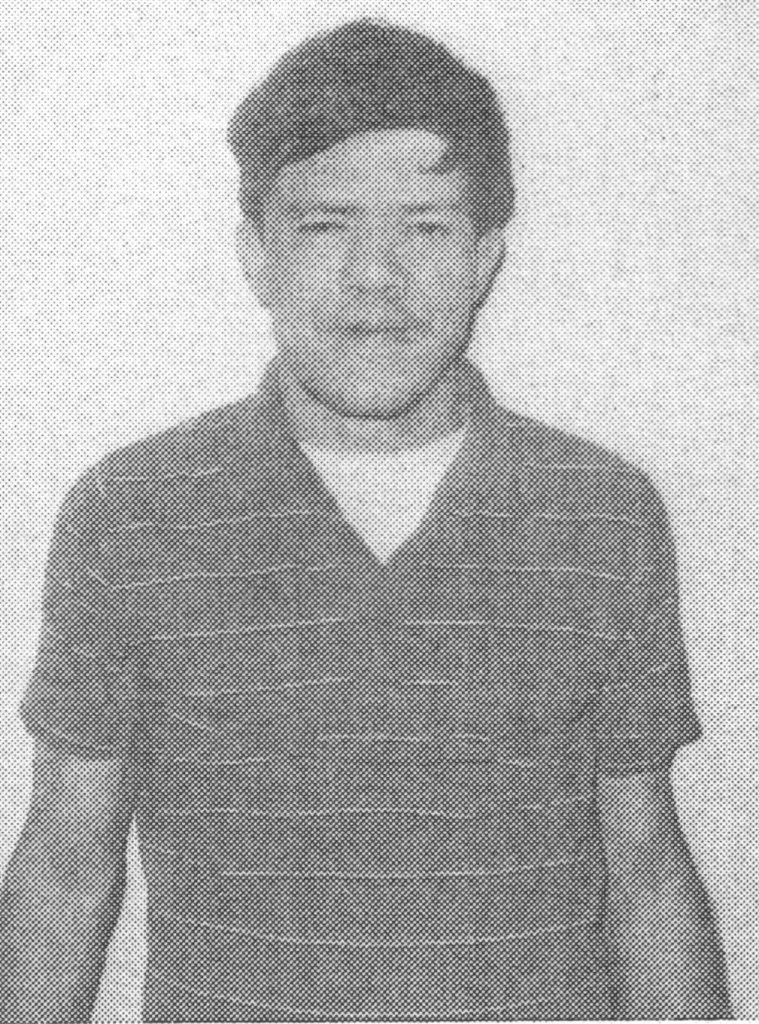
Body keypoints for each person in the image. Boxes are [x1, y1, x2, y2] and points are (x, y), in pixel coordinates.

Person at [0, 18, 733, 1022]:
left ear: (484, 258)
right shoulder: (130, 516)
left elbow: (644, 863)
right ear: (256, 255)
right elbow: (65, 866)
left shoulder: (603, 515)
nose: (375, 274)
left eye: (425, 227)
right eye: (326, 226)